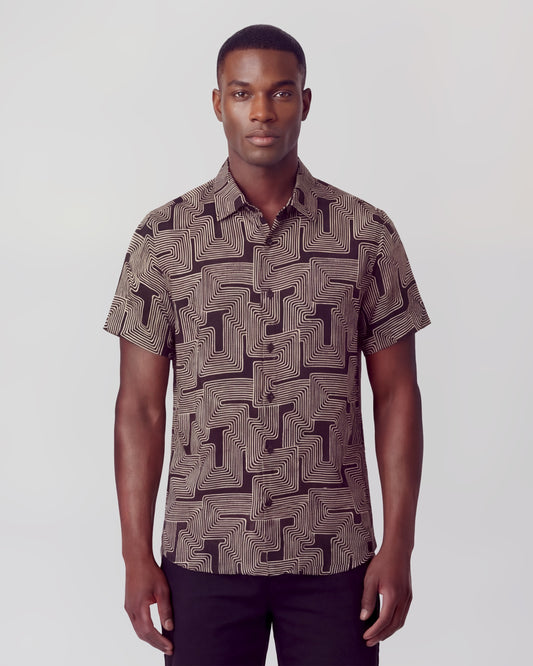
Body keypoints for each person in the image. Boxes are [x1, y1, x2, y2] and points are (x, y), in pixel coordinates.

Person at [104, 24, 430, 666]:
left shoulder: (364, 234)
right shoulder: (165, 239)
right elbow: (138, 407)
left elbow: (397, 395)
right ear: (217, 103)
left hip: (334, 553)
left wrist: (400, 546)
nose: (261, 111)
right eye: (242, 92)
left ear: (305, 102)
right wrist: (134, 554)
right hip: (205, 554)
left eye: (281, 92)